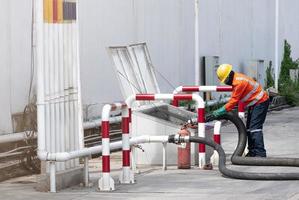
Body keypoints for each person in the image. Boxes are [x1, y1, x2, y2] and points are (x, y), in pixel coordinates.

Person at [212, 64, 270, 157]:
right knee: (249, 128)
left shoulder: (239, 83)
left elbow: (233, 101)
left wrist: (220, 111)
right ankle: (252, 152)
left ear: (229, 76)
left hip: (261, 101)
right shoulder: (237, 79)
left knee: (255, 128)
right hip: (255, 103)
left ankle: (260, 152)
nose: (226, 83)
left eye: (225, 80)